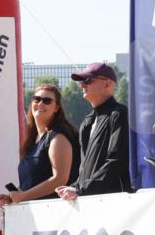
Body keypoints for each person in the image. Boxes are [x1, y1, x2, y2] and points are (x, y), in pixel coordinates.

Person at [57, 63, 134, 201]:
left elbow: (117, 161)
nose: (82, 85)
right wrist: (74, 187)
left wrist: (81, 190)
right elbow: (85, 168)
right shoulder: (88, 122)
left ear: (107, 84)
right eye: (82, 82)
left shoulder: (119, 113)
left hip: (115, 202)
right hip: (91, 200)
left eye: (88, 80)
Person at [0, 84, 80, 205]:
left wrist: (23, 196)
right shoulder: (33, 140)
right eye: (37, 99)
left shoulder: (58, 137)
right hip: (33, 214)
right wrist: (14, 197)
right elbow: (34, 182)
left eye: (47, 101)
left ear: (56, 108)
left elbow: (60, 179)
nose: (40, 103)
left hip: (55, 214)